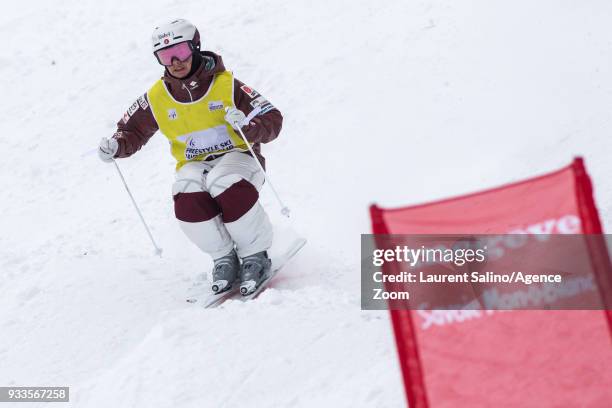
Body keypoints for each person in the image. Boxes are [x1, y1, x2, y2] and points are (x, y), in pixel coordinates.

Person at [98, 19, 282, 295]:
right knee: (186, 192)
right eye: (165, 55)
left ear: (195, 48)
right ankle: (224, 258)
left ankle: (256, 255)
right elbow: (131, 130)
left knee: (224, 181)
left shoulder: (227, 85)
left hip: (239, 157)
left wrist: (248, 126)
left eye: (181, 51)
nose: (175, 61)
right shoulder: (157, 97)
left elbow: (272, 118)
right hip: (194, 164)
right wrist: (117, 145)